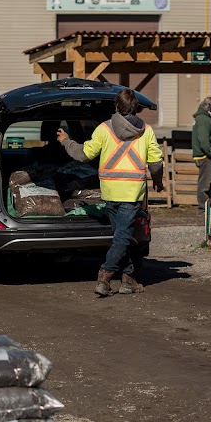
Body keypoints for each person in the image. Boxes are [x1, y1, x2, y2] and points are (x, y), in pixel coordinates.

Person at [58, 88, 165, 296]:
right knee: (123, 237)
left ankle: (128, 280)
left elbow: (83, 154)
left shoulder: (103, 129)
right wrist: (158, 182)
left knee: (121, 236)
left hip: (109, 191)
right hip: (132, 192)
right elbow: (155, 162)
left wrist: (66, 141)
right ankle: (105, 275)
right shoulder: (146, 131)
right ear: (136, 109)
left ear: (116, 107)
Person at [191, 96, 211, 212]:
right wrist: (210, 152)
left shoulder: (202, 119)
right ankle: (203, 207)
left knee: (206, 182)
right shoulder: (203, 119)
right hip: (205, 156)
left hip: (204, 155)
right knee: (205, 183)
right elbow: (203, 139)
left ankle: (206, 205)